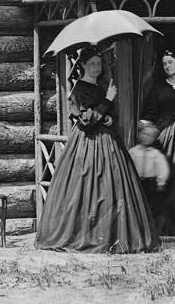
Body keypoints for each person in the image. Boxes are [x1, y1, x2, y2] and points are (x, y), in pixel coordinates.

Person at [35, 46, 160, 253]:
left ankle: (112, 234)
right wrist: (108, 101)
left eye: (98, 63)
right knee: (85, 188)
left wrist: (109, 117)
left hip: (108, 143)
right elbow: (85, 122)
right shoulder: (78, 90)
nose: (96, 67)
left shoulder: (101, 88)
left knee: (113, 187)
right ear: (82, 65)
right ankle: (85, 235)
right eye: (91, 63)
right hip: (86, 146)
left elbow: (104, 115)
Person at [141, 49, 175, 236]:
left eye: (170, 62)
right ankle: (160, 228)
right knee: (163, 178)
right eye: (164, 64)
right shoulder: (158, 88)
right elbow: (150, 114)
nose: (167, 66)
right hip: (163, 138)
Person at [130, 122, 171, 233]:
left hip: (151, 183)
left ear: (153, 139)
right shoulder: (133, 152)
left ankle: (155, 230)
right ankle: (140, 230)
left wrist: (161, 182)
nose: (145, 138)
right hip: (138, 183)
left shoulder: (155, 154)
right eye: (143, 134)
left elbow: (163, 168)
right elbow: (129, 165)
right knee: (139, 205)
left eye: (149, 136)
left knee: (153, 206)